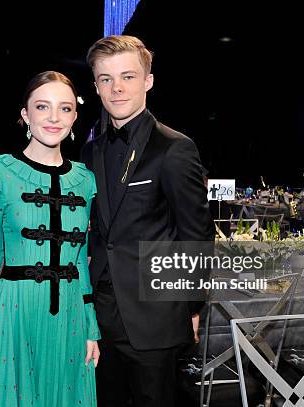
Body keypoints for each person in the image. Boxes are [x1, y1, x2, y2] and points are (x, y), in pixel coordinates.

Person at [0, 71, 100, 406]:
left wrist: (91, 325)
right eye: (42, 106)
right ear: (25, 115)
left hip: (71, 313)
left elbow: (81, 261)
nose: (53, 117)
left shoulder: (85, 180)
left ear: (74, 117)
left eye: (64, 108)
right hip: (13, 310)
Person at [81, 35, 214, 407]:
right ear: (95, 86)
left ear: (148, 81)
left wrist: (191, 306)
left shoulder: (175, 148)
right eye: (106, 79)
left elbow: (197, 235)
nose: (117, 87)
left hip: (154, 314)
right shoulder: (90, 150)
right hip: (99, 315)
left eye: (128, 76)